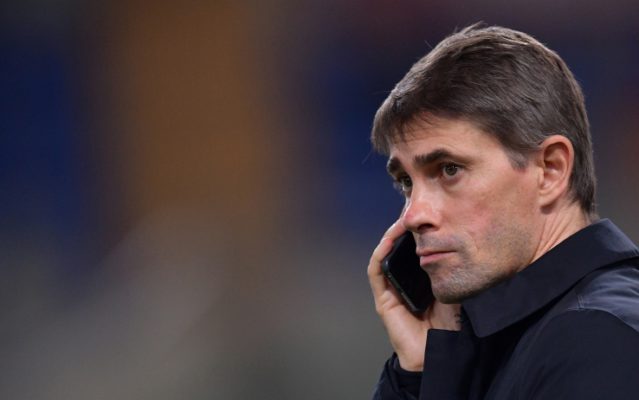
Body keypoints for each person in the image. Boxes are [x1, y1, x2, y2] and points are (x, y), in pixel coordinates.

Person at [367, 24, 639, 399]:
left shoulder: (597, 340)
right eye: (406, 182)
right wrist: (419, 373)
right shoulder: (509, 342)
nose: (413, 215)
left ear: (551, 170)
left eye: (449, 169)